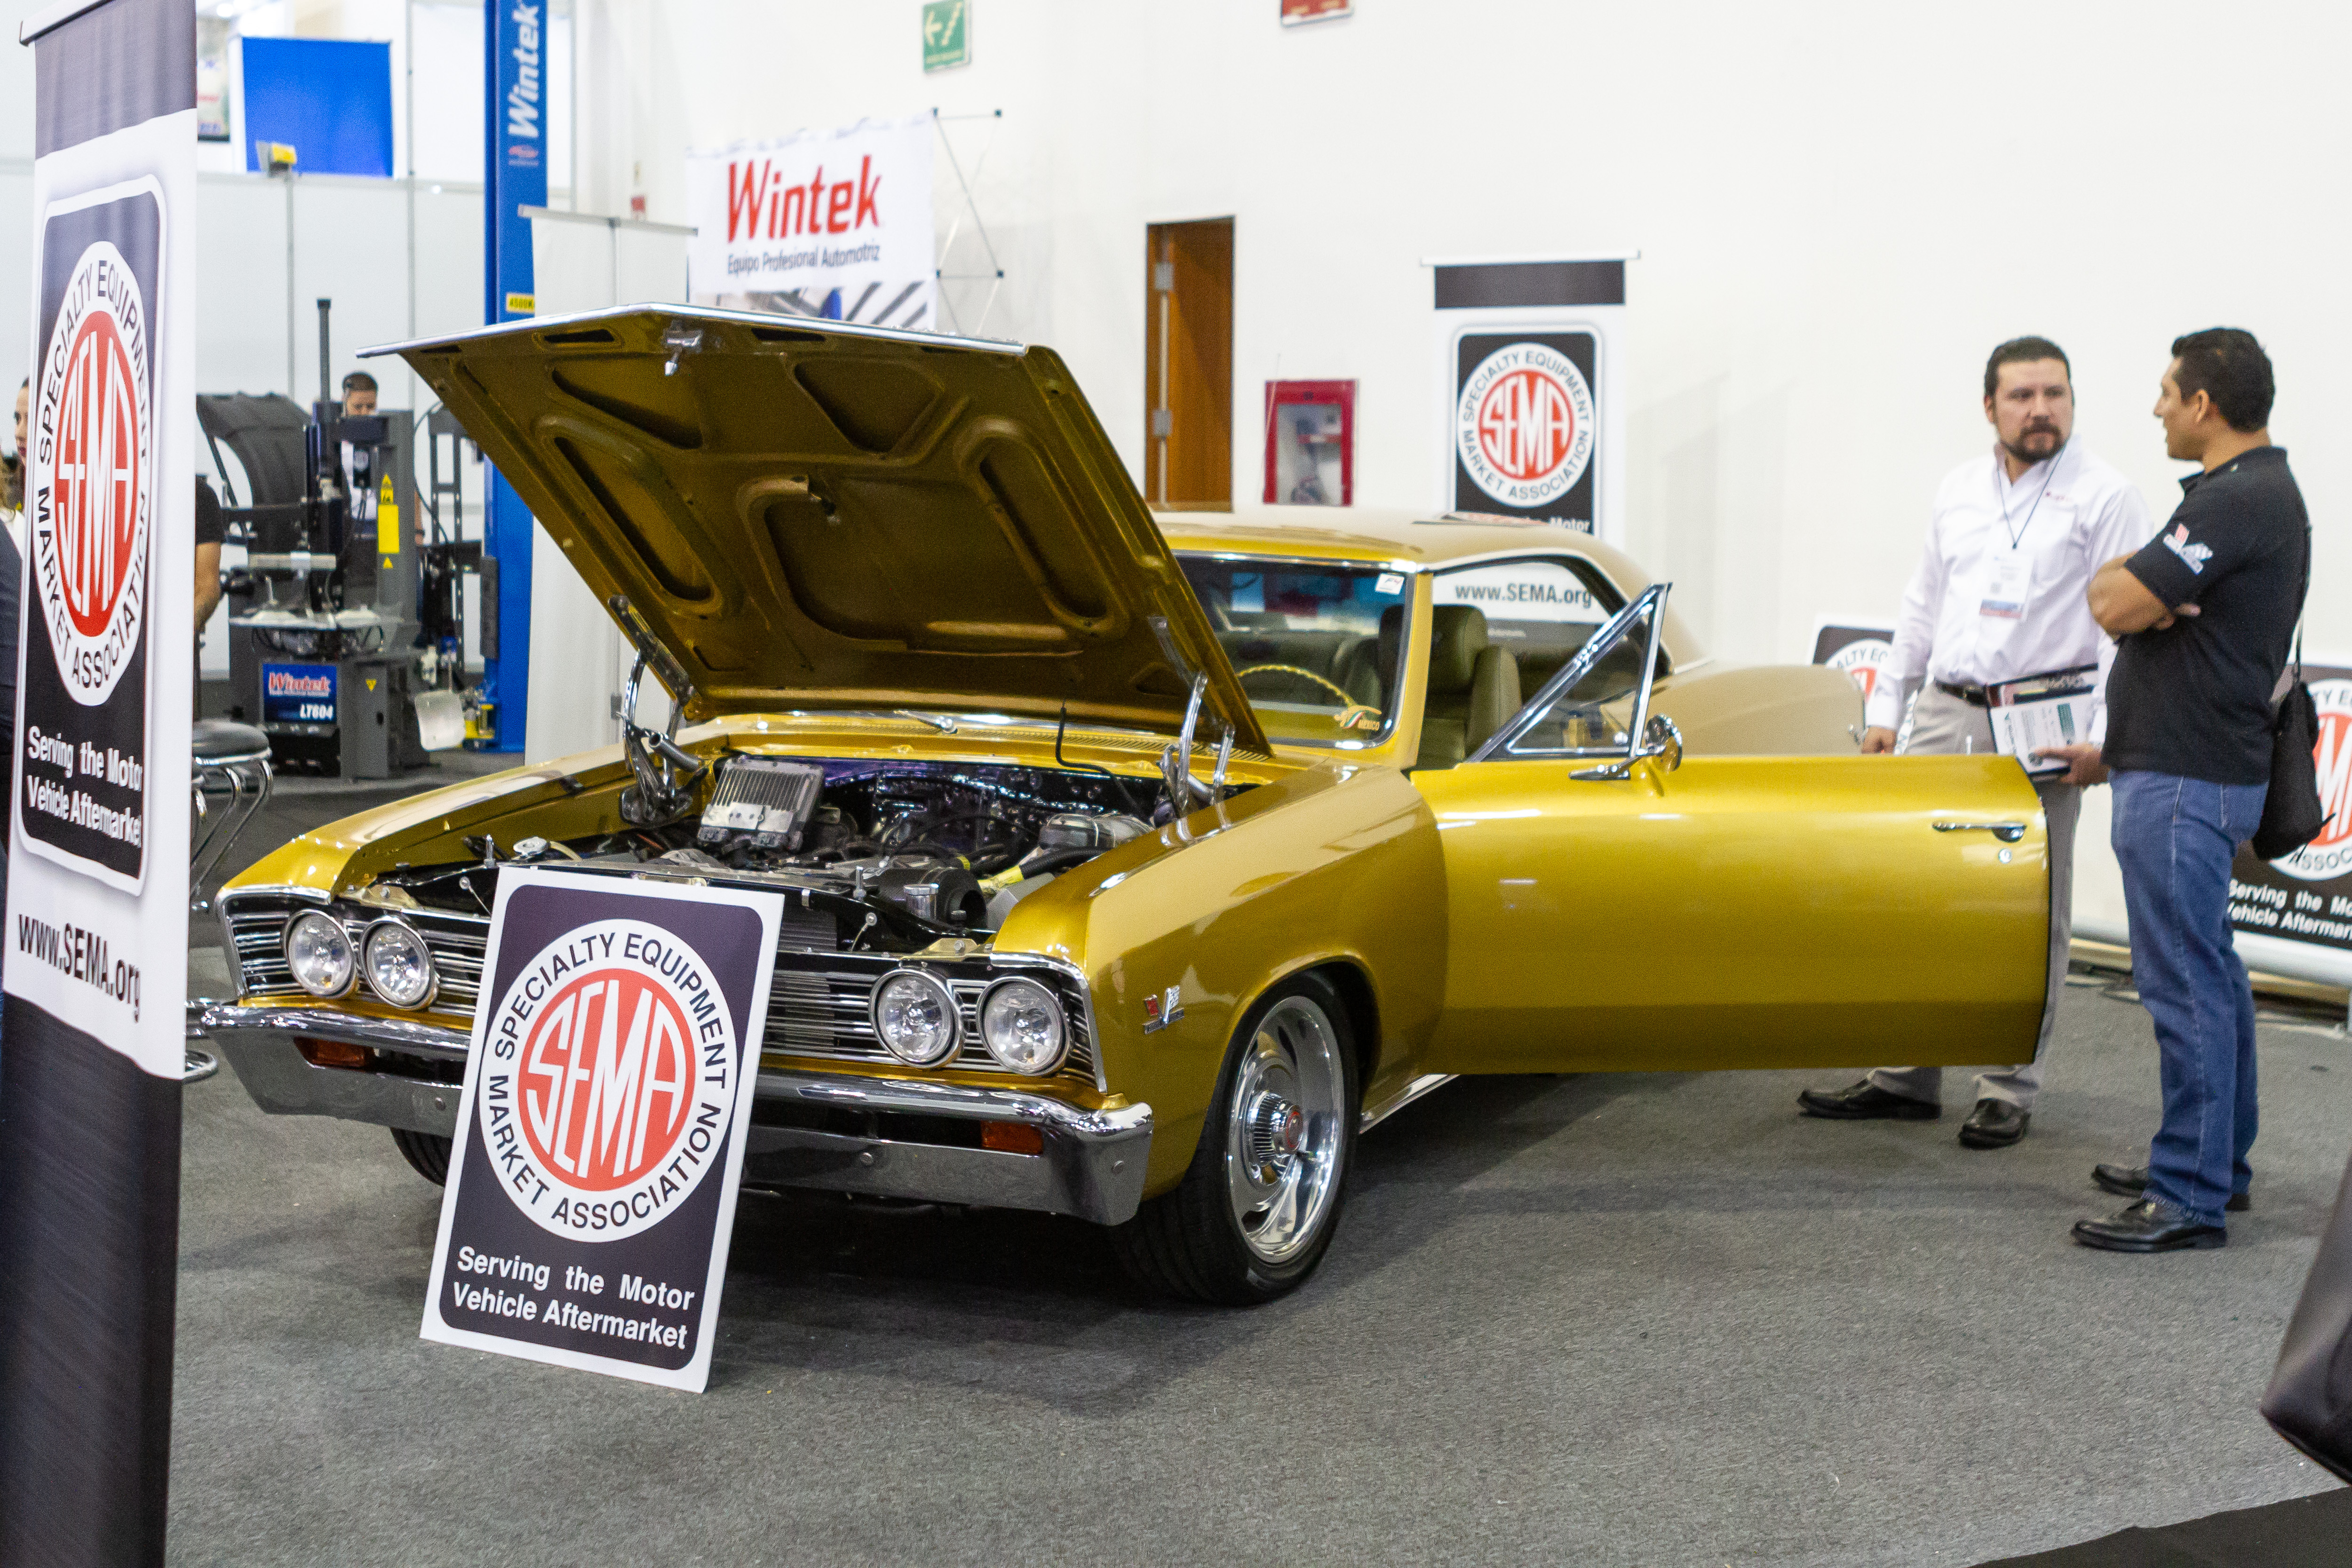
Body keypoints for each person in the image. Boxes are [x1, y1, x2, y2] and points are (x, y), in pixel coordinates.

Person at [1798, 338, 2151, 1147]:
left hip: (2042, 725)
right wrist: (1887, 707)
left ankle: (2008, 1084)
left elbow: (2121, 636)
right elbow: (1921, 604)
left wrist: (2104, 734)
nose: (2041, 410)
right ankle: (1905, 1073)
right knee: (1917, 894)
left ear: (2072, 400)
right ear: (1989, 406)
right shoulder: (1959, 489)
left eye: (2055, 394)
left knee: (2033, 909)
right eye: (2022, 396)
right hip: (1946, 712)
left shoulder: (2107, 495)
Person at [2069, 329, 2304, 1252]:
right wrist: (2134, 586)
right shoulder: (2247, 497)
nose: (2159, 408)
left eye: (2168, 393)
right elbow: (2128, 595)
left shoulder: (2239, 500)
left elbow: (2115, 605)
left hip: (2186, 777)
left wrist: (2132, 587)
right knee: (2210, 969)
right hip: (2189, 769)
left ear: (2204, 403)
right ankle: (2215, 1162)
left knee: (2183, 980)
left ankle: (2190, 1189)